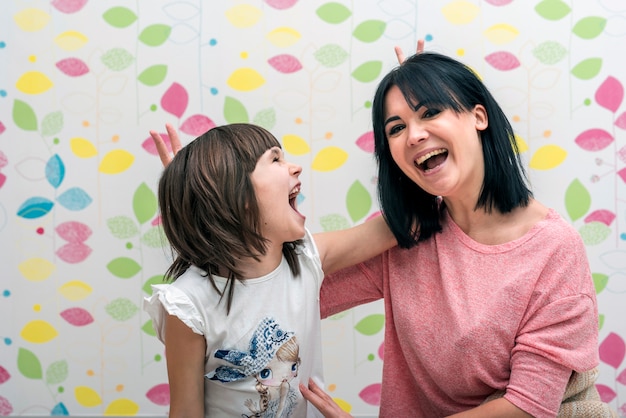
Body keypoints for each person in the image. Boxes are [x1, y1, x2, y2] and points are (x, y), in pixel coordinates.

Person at [299, 51, 613, 417]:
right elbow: (292, 293)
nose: (414, 134)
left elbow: (527, 407)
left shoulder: (554, 249)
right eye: (396, 128)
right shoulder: (406, 238)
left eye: (430, 112)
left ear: (478, 116)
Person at [143, 123, 396, 417]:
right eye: (275, 159)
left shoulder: (306, 258)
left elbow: (397, 227)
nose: (296, 167)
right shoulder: (188, 305)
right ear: (237, 195)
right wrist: (192, 190)